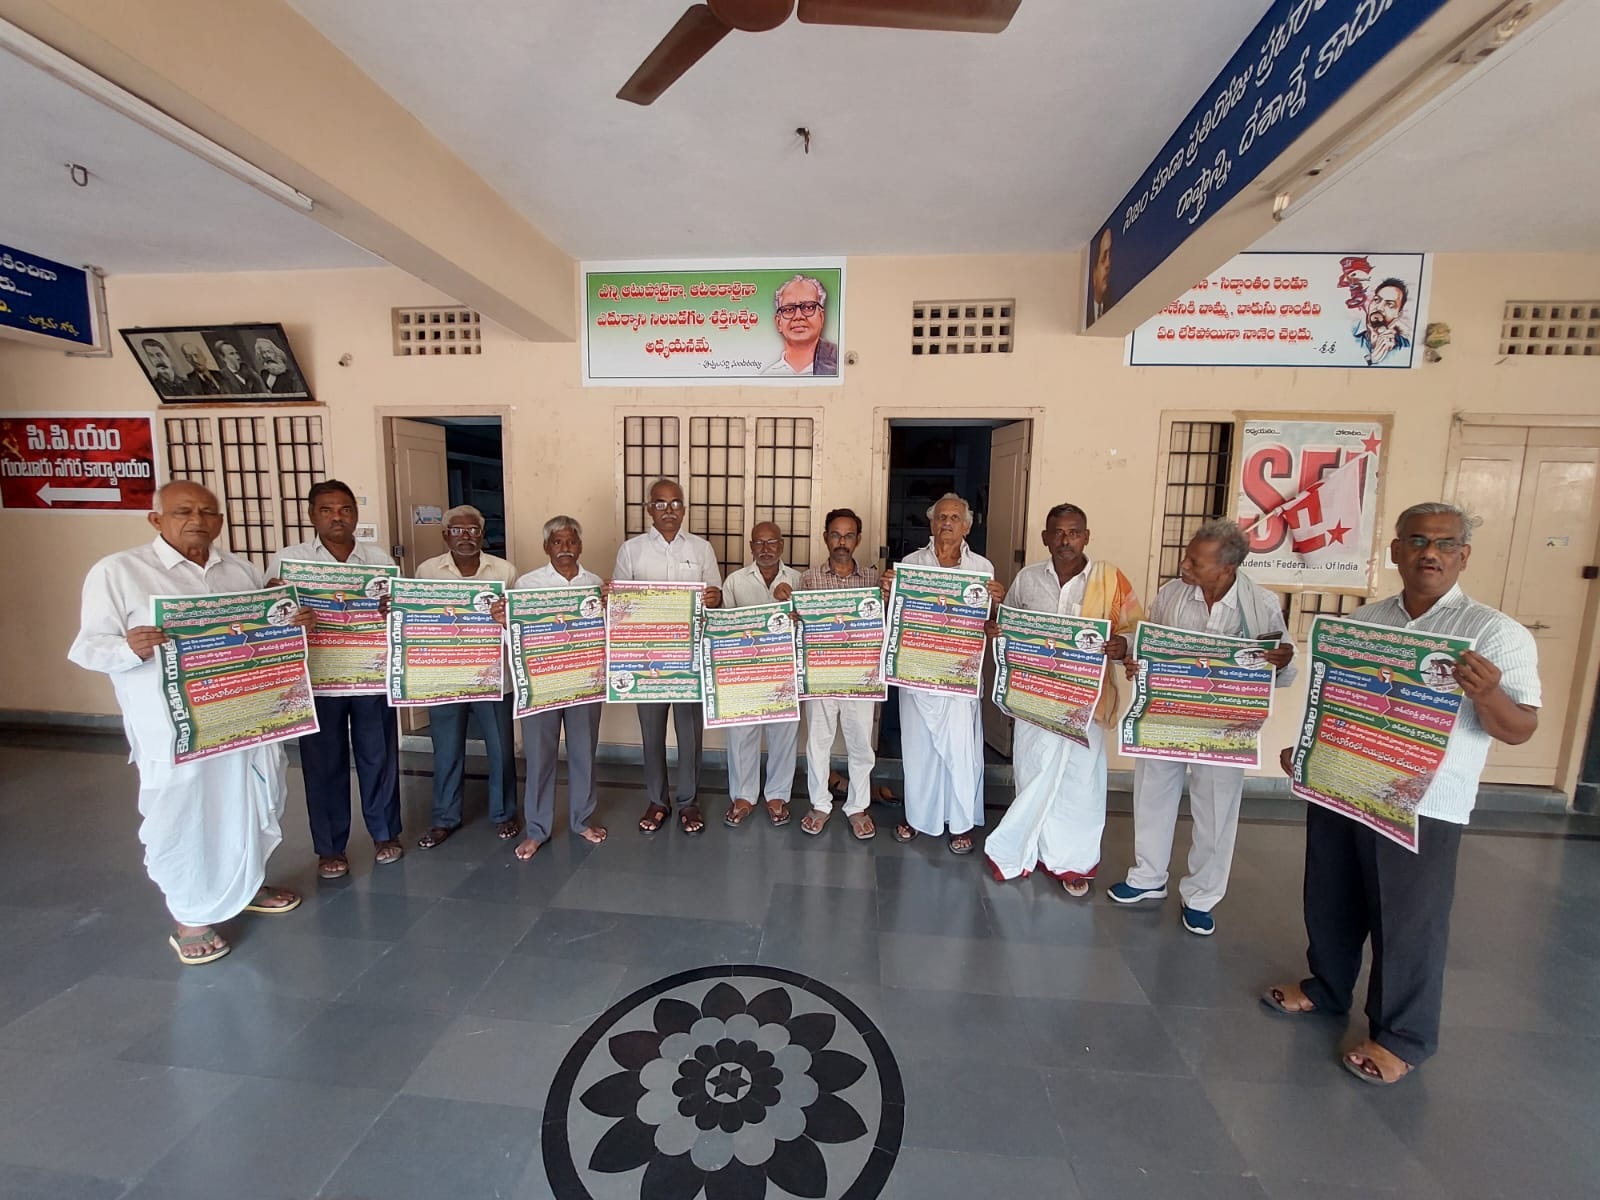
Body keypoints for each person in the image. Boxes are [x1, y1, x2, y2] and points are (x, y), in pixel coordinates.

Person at [1263, 502, 1540, 1086]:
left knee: (1408, 920)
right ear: (1395, 551)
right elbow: (1340, 703)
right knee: (1330, 899)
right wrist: (1308, 753)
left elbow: (1520, 729)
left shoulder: (1494, 633)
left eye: (1444, 543)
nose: (1429, 553)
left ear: (1464, 555)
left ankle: (1402, 1036)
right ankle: (1327, 988)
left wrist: (1488, 694)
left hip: (1424, 803)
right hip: (1344, 786)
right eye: (1416, 541)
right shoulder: (1367, 621)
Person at [68, 480, 305, 965]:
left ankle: (246, 885)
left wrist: (291, 622)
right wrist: (128, 647)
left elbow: (260, 633)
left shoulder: (239, 570)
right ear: (156, 519)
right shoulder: (120, 572)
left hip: (244, 717)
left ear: (220, 521)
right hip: (176, 729)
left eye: (207, 512)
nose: (197, 520)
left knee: (252, 801)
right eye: (183, 511)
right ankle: (191, 916)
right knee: (185, 814)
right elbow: (88, 647)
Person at [1107, 518, 1296, 934]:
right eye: (1187, 557)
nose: (1185, 566)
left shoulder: (1260, 604)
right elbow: (1149, 642)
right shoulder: (1172, 594)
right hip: (1167, 716)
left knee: (1216, 809)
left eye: (1196, 562)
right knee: (1153, 793)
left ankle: (1201, 896)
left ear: (1227, 568)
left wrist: (1281, 661)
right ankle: (1148, 877)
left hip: (1224, 726)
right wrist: (1135, 658)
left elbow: (1282, 669)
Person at [983, 504, 1144, 895]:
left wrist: (1123, 645)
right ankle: (1025, 849)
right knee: (1033, 772)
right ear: (1045, 537)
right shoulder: (1028, 578)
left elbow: (1137, 630)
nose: (1065, 540)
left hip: (1086, 703)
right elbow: (1009, 624)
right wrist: (995, 628)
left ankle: (1073, 862)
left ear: (1087, 536)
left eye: (1073, 532)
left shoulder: (1110, 580)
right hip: (1034, 701)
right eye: (1057, 532)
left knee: (1080, 783)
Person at [268, 480, 403, 879]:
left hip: (369, 675)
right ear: (312, 515)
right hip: (317, 677)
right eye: (327, 510)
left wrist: (393, 607)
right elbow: (268, 618)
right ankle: (330, 848)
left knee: (379, 756)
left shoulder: (378, 561)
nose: (337, 517)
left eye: (345, 509)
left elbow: (402, 613)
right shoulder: (288, 561)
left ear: (355, 515)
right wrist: (281, 607)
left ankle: (385, 833)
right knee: (323, 763)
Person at [883, 493, 1006, 854]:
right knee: (919, 750)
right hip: (917, 676)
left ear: (967, 526)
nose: (947, 523)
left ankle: (960, 823)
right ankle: (918, 816)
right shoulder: (911, 563)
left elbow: (991, 623)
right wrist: (888, 592)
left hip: (958, 680)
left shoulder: (982, 568)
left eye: (954, 518)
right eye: (941, 517)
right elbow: (896, 618)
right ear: (932, 523)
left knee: (959, 753)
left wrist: (997, 604)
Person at [613, 477, 723, 835]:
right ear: (649, 509)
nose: (669, 510)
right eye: (660, 503)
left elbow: (717, 595)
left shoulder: (702, 549)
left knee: (690, 734)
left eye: (675, 503)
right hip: (646, 662)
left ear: (684, 509)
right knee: (651, 732)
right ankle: (657, 800)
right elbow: (619, 605)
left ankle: (689, 802)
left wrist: (715, 598)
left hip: (689, 659)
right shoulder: (631, 550)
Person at [414, 505, 521, 848]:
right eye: (458, 531)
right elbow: (416, 621)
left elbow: (519, 621)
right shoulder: (427, 571)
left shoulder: (504, 571)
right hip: (445, 678)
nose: (466, 537)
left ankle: (504, 813)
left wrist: (506, 617)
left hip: (494, 677)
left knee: (501, 749)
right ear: (445, 535)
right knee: (446, 749)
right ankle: (445, 818)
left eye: (473, 530)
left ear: (482, 534)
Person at [513, 516, 608, 859]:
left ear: (580, 546)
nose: (565, 548)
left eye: (571, 541)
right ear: (546, 546)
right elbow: (515, 630)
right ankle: (537, 830)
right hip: (542, 684)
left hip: (584, 683)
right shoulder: (527, 584)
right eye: (557, 541)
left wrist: (613, 606)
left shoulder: (595, 584)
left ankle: (582, 821)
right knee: (540, 758)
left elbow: (609, 630)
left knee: (583, 753)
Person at [798, 507, 882, 841]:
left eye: (848, 536)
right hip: (821, 677)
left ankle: (857, 806)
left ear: (858, 539)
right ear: (825, 538)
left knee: (861, 745)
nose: (842, 542)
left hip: (860, 679)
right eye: (835, 535)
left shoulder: (875, 580)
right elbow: (800, 625)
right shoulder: (809, 579)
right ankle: (820, 804)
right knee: (818, 744)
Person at [722, 522, 803, 831]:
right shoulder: (735, 581)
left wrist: (794, 610)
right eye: (759, 543)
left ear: (781, 545)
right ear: (751, 547)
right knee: (741, 734)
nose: (766, 549)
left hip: (785, 673)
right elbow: (724, 628)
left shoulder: (798, 580)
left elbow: (809, 626)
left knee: (784, 735)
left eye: (772, 542)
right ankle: (743, 796)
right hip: (744, 673)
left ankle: (777, 795)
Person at [760, 275, 839, 377]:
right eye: (789, 309)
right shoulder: (768, 376)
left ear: (821, 317)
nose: (798, 316)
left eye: (808, 307)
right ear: (779, 322)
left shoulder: (840, 367)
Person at [1354, 277, 1412, 365]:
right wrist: (1371, 359)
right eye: (1376, 300)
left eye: (1390, 304)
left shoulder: (1404, 346)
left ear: (1398, 314)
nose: (1379, 307)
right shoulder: (1353, 337)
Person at [1089, 227, 1115, 323]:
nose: (1108, 264)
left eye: (1110, 257)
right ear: (1094, 273)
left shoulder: (1114, 310)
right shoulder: (1086, 314)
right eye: (1104, 258)